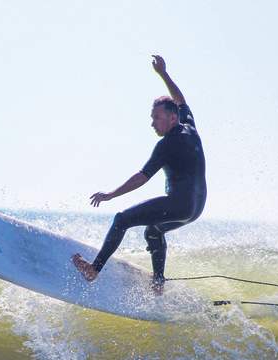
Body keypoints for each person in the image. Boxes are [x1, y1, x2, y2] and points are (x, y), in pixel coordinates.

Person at [72, 55, 207, 293]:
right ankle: (158, 283)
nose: (153, 123)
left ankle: (93, 270)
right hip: (195, 209)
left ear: (171, 118)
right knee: (153, 231)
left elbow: (142, 177)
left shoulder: (167, 145)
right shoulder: (189, 127)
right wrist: (163, 74)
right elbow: (180, 99)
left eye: (157, 118)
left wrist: (111, 195)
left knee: (122, 219)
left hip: (179, 205)